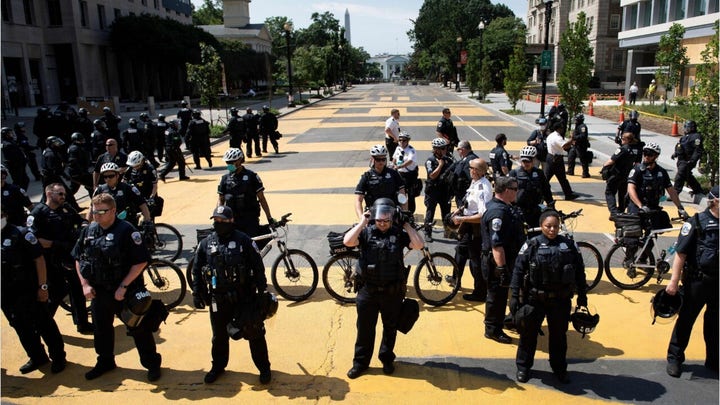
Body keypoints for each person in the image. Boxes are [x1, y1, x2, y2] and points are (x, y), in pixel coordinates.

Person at [72, 193, 162, 381]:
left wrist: (123, 286)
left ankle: (151, 363)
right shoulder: (88, 231)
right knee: (101, 329)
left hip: (125, 292)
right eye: (93, 211)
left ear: (113, 211)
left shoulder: (127, 231)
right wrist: (84, 285)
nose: (96, 215)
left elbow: (140, 262)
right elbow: (78, 258)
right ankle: (105, 361)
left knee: (139, 329)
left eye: (101, 211)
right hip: (99, 291)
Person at [343, 198, 424, 379]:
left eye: (386, 219)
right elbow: (347, 241)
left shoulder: (398, 233)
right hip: (368, 291)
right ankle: (360, 363)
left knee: (390, 328)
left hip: (392, 292)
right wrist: (362, 222)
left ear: (392, 217)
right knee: (364, 329)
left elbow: (419, 245)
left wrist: (407, 226)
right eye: (379, 219)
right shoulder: (366, 233)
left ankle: (387, 359)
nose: (382, 223)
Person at [191, 205, 273, 384]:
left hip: (244, 297)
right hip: (218, 299)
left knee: (254, 332)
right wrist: (197, 293)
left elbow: (258, 266)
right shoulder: (206, 243)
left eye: (223, 221)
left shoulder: (244, 241)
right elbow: (196, 269)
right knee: (218, 336)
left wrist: (262, 291)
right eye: (216, 220)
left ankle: (264, 368)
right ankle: (218, 367)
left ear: (231, 221)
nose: (219, 224)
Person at [510, 209, 588, 383]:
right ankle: (523, 367)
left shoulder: (569, 246)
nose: (552, 230)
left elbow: (580, 272)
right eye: (548, 226)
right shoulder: (531, 245)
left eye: (555, 226)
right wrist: (514, 296)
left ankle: (559, 368)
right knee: (528, 336)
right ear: (541, 226)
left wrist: (582, 296)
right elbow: (518, 271)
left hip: (560, 300)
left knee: (559, 337)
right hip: (534, 300)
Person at [2, 208, 67, 374]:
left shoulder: (22, 234)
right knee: (21, 326)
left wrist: (43, 286)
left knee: (44, 323)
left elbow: (39, 259)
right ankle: (37, 357)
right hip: (6, 294)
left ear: (5, 215)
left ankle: (58, 357)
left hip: (28, 290)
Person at [664, 185, 718, 378]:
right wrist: (673, 281)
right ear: (715, 201)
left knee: (715, 323)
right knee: (686, 320)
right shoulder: (696, 222)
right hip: (697, 282)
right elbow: (681, 253)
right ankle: (675, 358)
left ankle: (713, 360)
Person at [28, 183, 91, 332]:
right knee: (57, 292)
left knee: (77, 289)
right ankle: (41, 324)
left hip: (70, 255)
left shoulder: (66, 208)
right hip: (51, 260)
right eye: (60, 194)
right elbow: (33, 239)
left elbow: (80, 220)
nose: (64, 196)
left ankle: (82, 323)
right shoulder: (38, 213)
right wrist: (54, 244)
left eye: (64, 194)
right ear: (49, 194)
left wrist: (83, 226)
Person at [480, 176, 525, 344]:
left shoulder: (505, 207)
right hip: (496, 261)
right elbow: (496, 244)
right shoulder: (498, 212)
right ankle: (492, 329)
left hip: (506, 258)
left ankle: (504, 321)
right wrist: (502, 268)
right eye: (515, 189)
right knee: (496, 296)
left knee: (501, 294)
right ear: (507, 190)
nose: (517, 192)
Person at [450, 158, 492, 302]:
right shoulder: (475, 181)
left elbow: (482, 215)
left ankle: (480, 292)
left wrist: (462, 220)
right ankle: (456, 278)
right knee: (460, 251)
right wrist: (459, 211)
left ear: (478, 171)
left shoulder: (483, 188)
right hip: (468, 225)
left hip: (476, 229)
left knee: (475, 261)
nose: (469, 170)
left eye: (471, 168)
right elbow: (469, 202)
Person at [217, 148, 274, 237]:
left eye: (231, 162)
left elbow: (262, 199)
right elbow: (221, 200)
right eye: (227, 162)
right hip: (232, 220)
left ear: (240, 160)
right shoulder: (224, 179)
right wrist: (218, 216)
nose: (229, 165)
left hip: (250, 220)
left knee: (251, 246)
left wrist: (269, 218)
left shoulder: (252, 176)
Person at [627, 142, 688, 224]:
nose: (646, 157)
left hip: (653, 207)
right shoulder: (637, 170)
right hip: (637, 206)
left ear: (656, 156)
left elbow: (671, 191)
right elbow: (631, 189)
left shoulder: (661, 172)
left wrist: (680, 207)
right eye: (644, 153)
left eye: (649, 154)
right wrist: (640, 206)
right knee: (633, 231)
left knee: (660, 226)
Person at [90, 163, 152, 228]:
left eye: (111, 176)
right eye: (105, 177)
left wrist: (147, 220)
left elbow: (142, 205)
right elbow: (92, 208)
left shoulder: (128, 188)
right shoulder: (99, 190)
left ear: (117, 175)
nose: (108, 179)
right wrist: (86, 225)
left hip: (127, 224)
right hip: (107, 224)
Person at [354, 144, 407, 220]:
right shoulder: (366, 176)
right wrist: (361, 218)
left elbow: (402, 195)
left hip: (392, 213)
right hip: (373, 214)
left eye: (383, 159)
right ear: (372, 159)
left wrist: (405, 214)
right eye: (378, 159)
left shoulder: (394, 174)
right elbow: (358, 200)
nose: (381, 162)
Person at [509, 146, 555, 230]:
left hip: (535, 210)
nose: (525, 163)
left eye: (528, 161)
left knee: (537, 233)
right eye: (523, 161)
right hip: (519, 210)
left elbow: (546, 190)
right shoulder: (514, 173)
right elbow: (508, 192)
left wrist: (551, 205)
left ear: (533, 160)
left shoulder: (539, 173)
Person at [423, 138, 454, 242]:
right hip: (433, 191)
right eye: (442, 148)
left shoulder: (448, 159)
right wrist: (440, 165)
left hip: (445, 190)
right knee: (430, 212)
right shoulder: (430, 161)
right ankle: (427, 232)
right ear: (436, 150)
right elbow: (432, 175)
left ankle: (448, 232)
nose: (445, 150)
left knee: (446, 212)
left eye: (445, 148)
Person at [602, 132, 638, 219]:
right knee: (622, 193)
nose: (621, 140)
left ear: (627, 140)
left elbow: (611, 160)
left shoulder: (622, 149)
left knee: (610, 192)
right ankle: (621, 209)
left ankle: (614, 212)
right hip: (627, 174)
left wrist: (604, 167)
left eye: (623, 139)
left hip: (617, 174)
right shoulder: (635, 150)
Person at [544, 122, 579, 201]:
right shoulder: (557, 138)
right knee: (561, 178)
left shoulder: (551, 135)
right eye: (562, 128)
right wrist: (571, 139)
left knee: (549, 177)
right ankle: (568, 194)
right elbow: (565, 146)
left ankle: (568, 194)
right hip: (556, 159)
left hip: (550, 157)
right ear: (559, 129)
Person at [672, 120, 704, 196]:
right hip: (681, 160)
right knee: (687, 175)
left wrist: (692, 160)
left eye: (687, 127)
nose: (685, 129)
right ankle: (698, 189)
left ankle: (675, 193)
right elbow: (680, 146)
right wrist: (675, 154)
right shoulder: (684, 137)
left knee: (680, 175)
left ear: (692, 128)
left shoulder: (696, 137)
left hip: (688, 160)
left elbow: (698, 150)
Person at [391, 132, 419, 214]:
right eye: (400, 140)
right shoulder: (398, 148)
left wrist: (399, 166)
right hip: (400, 174)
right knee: (400, 194)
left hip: (410, 175)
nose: (402, 142)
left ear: (408, 141)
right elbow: (394, 158)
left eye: (404, 140)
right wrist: (392, 165)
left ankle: (410, 213)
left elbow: (410, 161)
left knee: (410, 195)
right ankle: (401, 210)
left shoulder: (411, 150)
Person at [450, 140, 479, 207]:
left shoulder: (470, 160)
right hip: (461, 192)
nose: (457, 152)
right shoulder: (466, 159)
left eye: (458, 150)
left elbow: (472, 178)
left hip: (465, 193)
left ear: (462, 150)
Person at [66, 132, 94, 201]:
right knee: (91, 186)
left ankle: (66, 200)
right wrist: (82, 172)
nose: (82, 140)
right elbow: (73, 162)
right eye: (80, 139)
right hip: (78, 174)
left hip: (80, 172)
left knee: (73, 189)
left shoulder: (78, 147)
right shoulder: (74, 149)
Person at [1, 126, 30, 190]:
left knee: (25, 180)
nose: (12, 134)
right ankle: (16, 195)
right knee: (18, 182)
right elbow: (13, 157)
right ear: (6, 135)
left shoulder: (11, 141)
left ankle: (21, 194)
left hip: (19, 165)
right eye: (10, 133)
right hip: (15, 166)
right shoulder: (7, 144)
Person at [566, 114, 591, 178]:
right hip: (575, 146)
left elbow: (583, 136)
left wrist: (574, 137)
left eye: (577, 119)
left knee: (583, 160)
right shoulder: (577, 126)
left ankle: (586, 173)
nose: (575, 121)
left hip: (581, 146)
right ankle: (570, 171)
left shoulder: (583, 127)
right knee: (570, 157)